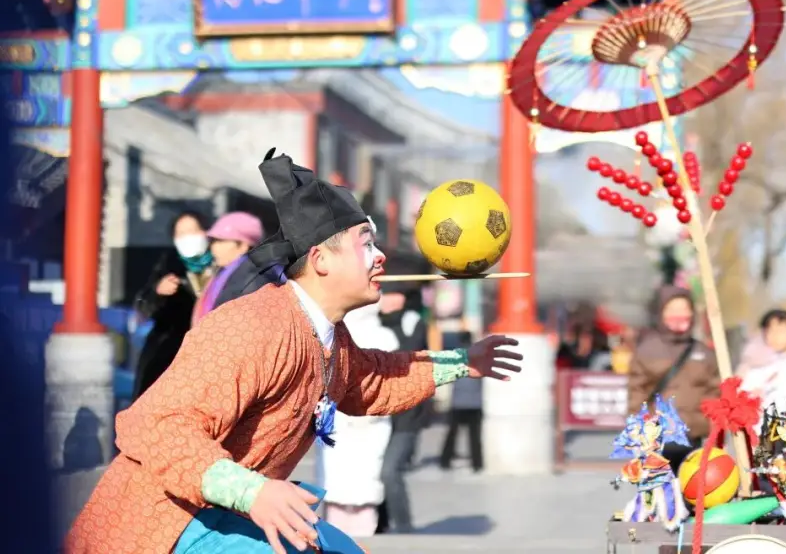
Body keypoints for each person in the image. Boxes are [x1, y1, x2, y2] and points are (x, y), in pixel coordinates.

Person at [65, 150, 523, 554]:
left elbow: (373, 380)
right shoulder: (252, 325)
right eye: (367, 245)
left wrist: (464, 362)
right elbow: (157, 427)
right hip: (161, 524)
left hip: (227, 514)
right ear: (321, 260)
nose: (381, 257)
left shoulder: (329, 336)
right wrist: (254, 493)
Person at [317, 303, 397, 538]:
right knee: (336, 482)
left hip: (370, 423)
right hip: (337, 422)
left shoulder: (383, 337)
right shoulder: (328, 333)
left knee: (365, 481)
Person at [627, 286, 719, 472]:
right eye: (672, 309)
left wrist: (711, 427)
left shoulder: (704, 352)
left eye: (684, 309)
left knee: (693, 494)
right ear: (661, 313)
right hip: (657, 438)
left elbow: (715, 392)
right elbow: (636, 392)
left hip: (694, 438)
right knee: (660, 495)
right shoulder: (646, 350)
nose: (679, 315)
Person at [132, 210, 213, 399]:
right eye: (181, 234)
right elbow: (143, 308)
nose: (188, 238)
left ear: (206, 232)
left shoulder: (224, 264)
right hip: (172, 356)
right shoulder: (168, 266)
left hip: (216, 354)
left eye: (192, 231)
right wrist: (157, 293)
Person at [377, 266, 431, 534]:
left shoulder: (412, 321)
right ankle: (381, 524)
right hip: (377, 414)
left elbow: (407, 355)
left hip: (406, 415)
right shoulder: (369, 319)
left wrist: (391, 323)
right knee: (371, 471)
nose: (388, 299)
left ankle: (405, 526)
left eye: (394, 294)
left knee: (390, 471)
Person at [191, 211, 264, 327]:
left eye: (220, 241)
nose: (213, 247)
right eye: (213, 241)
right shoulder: (223, 272)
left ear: (243, 245)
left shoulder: (256, 278)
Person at [439, 330, 484, 473]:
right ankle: (477, 463)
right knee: (475, 435)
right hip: (475, 402)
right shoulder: (479, 356)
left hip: (458, 402)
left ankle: (445, 460)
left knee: (452, 434)